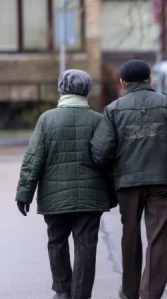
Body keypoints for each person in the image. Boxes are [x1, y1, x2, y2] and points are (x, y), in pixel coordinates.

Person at [90, 59, 167, 299]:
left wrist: (112, 175)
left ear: (123, 83)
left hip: (127, 183)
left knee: (130, 234)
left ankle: (129, 291)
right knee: (157, 236)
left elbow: (100, 153)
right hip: (163, 181)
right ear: (149, 79)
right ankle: (150, 293)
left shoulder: (113, 109)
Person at [15, 69, 115, 299]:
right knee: (86, 245)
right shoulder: (99, 120)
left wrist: (24, 193)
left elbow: (33, 159)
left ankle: (62, 291)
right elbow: (109, 161)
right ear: (87, 91)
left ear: (61, 89)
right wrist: (110, 195)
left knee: (56, 241)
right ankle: (81, 294)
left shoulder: (47, 120)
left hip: (54, 196)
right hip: (91, 198)